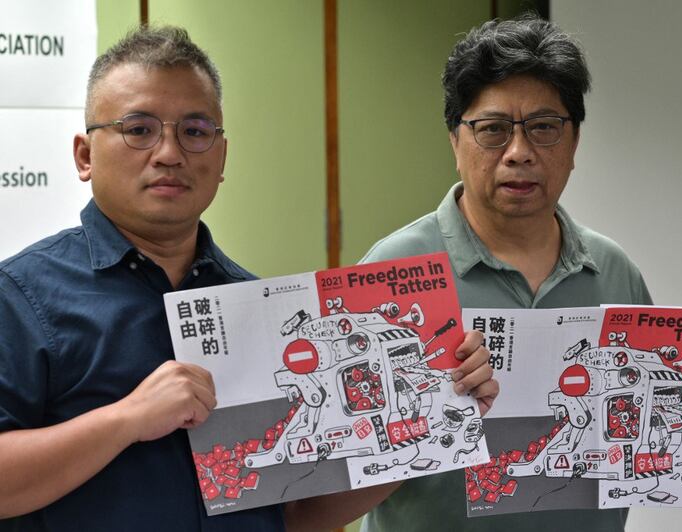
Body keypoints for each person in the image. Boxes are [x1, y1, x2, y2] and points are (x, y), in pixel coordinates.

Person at [0, 26, 497, 532]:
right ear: (85, 155)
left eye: (195, 132)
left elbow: (298, 515)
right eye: (139, 128)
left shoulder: (259, 307)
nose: (169, 153)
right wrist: (126, 419)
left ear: (221, 159)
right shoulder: (20, 296)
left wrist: (436, 422)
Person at [358, 13, 682, 532]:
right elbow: (340, 465)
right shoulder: (395, 269)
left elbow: (650, 428)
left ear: (574, 142)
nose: (519, 154)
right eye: (493, 130)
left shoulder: (613, 270)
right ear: (456, 141)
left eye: (543, 128)